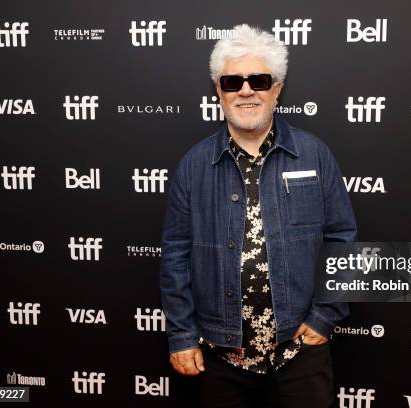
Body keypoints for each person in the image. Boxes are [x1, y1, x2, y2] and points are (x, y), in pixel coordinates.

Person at [159, 23, 357, 408]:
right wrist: (181, 336)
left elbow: (342, 240)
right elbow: (176, 257)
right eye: (233, 82)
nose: (246, 90)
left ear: (277, 90)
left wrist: (324, 317)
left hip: (299, 351)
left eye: (259, 80)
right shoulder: (194, 165)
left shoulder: (314, 155)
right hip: (220, 357)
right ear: (219, 90)